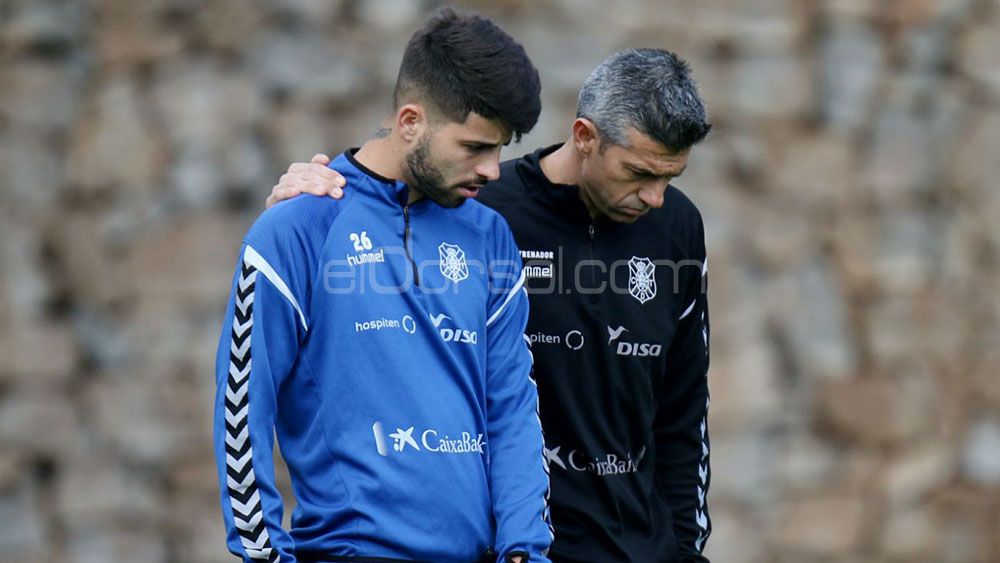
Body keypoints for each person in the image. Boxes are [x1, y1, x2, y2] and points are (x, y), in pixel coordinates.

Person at [268, 48, 713, 562]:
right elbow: (378, 209)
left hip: (644, 549)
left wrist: (685, 550)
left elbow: (684, 411)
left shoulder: (678, 227)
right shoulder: (480, 214)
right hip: (518, 548)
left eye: (669, 178)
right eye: (638, 173)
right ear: (586, 136)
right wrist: (307, 191)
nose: (655, 196)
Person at [214, 8, 553, 563]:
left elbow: (511, 405)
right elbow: (242, 410)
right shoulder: (297, 229)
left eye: (501, 148)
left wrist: (524, 549)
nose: (494, 170)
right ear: (411, 121)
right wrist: (266, 554)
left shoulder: (489, 235)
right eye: (475, 147)